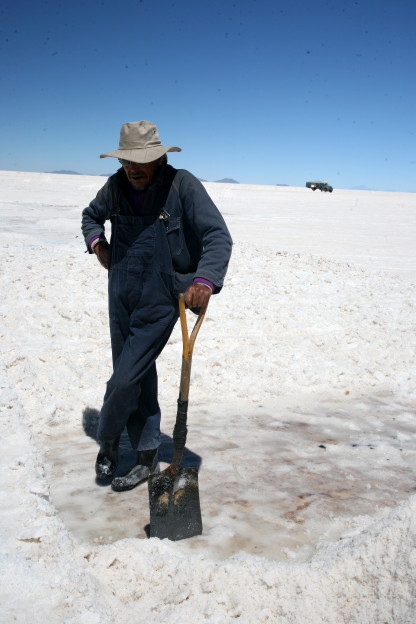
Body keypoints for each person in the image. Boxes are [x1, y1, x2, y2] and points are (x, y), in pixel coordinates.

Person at [81, 120, 232, 491]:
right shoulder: (116, 186)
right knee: (139, 375)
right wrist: (99, 244)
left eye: (142, 161)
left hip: (162, 297)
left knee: (125, 377)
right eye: (127, 161)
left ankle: (109, 440)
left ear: (159, 158)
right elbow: (90, 216)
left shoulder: (183, 186)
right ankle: (147, 457)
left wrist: (203, 279)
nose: (133, 168)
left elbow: (217, 235)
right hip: (121, 293)